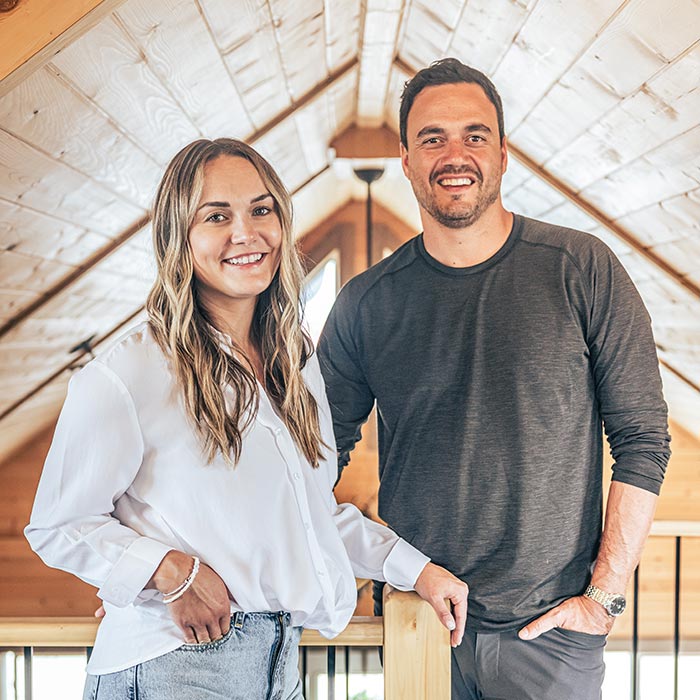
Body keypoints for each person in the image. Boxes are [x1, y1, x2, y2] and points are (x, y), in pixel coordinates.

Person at [25, 138, 468, 700]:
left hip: (280, 662)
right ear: (177, 238)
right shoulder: (131, 370)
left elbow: (313, 519)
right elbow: (57, 525)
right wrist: (169, 572)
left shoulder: (295, 366)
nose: (246, 232)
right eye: (217, 216)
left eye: (262, 209)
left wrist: (416, 570)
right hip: (175, 666)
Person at [317, 59, 671, 700]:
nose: (455, 155)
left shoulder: (581, 269)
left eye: (474, 135)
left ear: (503, 154)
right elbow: (304, 462)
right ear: (405, 158)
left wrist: (604, 598)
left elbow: (643, 439)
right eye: (432, 138)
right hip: (419, 619)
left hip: (553, 634)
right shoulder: (365, 303)